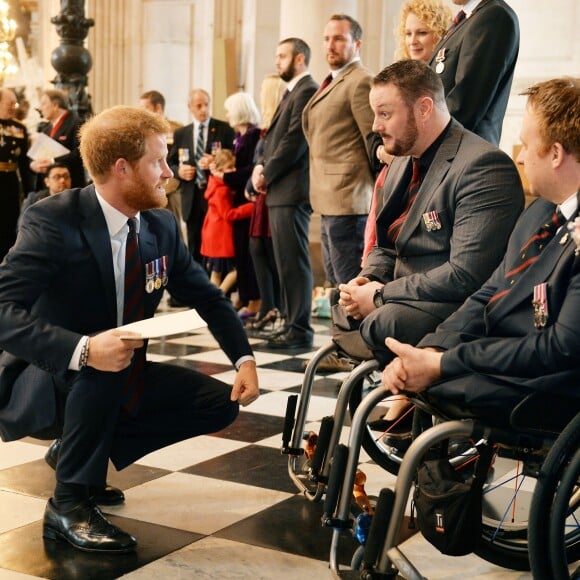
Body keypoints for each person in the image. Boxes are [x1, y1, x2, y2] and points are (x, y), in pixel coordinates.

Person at [0, 105, 259, 553]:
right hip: (46, 375)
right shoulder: (53, 221)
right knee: (104, 360)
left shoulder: (158, 225)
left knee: (218, 403)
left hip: (117, 372)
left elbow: (209, 298)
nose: (168, 172)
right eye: (157, 162)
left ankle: (76, 456)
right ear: (122, 169)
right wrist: (82, 348)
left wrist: (244, 358)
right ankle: (68, 504)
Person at [381, 77, 580, 426]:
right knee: (421, 375)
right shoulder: (540, 211)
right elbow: (491, 291)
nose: (518, 156)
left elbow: (558, 349)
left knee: (438, 385)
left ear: (555, 154)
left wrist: (445, 364)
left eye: (525, 145)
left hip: (549, 383)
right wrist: (434, 349)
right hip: (509, 358)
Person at [336, 60, 524, 428]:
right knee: (342, 305)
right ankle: (407, 410)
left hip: (456, 305)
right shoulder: (403, 161)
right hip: (408, 294)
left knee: (383, 320)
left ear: (423, 108)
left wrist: (379, 295)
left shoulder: (483, 165)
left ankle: (429, 445)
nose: (375, 126)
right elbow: (387, 243)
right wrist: (365, 279)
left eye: (385, 113)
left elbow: (467, 274)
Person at [251, 37, 318, 349]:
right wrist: (262, 165)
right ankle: (291, 324)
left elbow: (293, 141)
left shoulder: (306, 90)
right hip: (281, 189)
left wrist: (266, 171)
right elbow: (275, 139)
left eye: (282, 56)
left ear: (300, 59)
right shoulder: (292, 92)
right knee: (285, 263)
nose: (277, 62)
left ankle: (300, 329)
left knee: (293, 262)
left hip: (292, 189)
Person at [302, 14, 376, 288]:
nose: (330, 45)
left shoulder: (361, 81)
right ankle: (340, 332)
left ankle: (354, 333)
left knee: (348, 284)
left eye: (338, 39)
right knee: (336, 280)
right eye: (326, 39)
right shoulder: (335, 79)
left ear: (356, 43)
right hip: (329, 198)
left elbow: (374, 141)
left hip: (349, 199)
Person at [429, 0, 519, 146]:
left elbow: (463, 103)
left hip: (462, 153)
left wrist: (420, 136)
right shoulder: (468, 17)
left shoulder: (493, 15)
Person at [168, 89, 235, 265]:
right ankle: (196, 287)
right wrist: (179, 171)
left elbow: (234, 157)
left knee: (215, 247)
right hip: (191, 195)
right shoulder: (182, 133)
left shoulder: (224, 129)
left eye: (206, 104)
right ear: (190, 107)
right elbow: (171, 162)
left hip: (216, 196)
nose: (203, 109)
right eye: (199, 106)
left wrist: (217, 161)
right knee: (194, 246)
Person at [244, 73, 286, 333]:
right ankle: (268, 306)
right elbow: (258, 160)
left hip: (275, 192)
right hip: (262, 193)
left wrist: (260, 176)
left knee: (272, 253)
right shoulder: (267, 125)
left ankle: (275, 307)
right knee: (257, 248)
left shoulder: (279, 123)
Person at [222, 92, 262, 318]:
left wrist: (226, 176)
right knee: (240, 254)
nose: (227, 115)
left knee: (248, 255)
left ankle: (253, 300)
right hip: (237, 202)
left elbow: (251, 169)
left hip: (247, 201)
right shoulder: (239, 137)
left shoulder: (253, 135)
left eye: (229, 110)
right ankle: (244, 296)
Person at [201, 148, 252, 292]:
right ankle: (218, 300)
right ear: (218, 169)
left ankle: (212, 303)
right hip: (221, 237)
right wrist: (251, 208)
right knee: (235, 271)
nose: (234, 170)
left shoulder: (213, 183)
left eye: (234, 166)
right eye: (229, 167)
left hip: (213, 235)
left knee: (216, 273)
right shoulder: (222, 190)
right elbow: (229, 214)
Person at [140, 90, 186, 241]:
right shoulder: (142, 132)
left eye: (145, 108)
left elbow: (182, 157)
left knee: (175, 226)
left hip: (174, 184)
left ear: (157, 108)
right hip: (151, 184)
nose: (141, 113)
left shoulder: (177, 129)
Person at [29, 89, 86, 189]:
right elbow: (36, 155)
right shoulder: (46, 128)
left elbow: (80, 153)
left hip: (70, 185)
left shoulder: (77, 123)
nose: (40, 108)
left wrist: (52, 161)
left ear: (55, 105)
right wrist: (33, 164)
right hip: (47, 187)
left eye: (43, 104)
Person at [0, 88, 32, 262]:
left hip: (10, 182)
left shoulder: (19, 127)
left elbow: (24, 164)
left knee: (10, 222)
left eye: (15, 103)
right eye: (10, 103)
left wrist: (28, 191)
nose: (14, 107)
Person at [18, 162, 71, 228]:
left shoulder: (77, 199)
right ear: (47, 182)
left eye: (66, 176)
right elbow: (22, 226)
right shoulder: (34, 199)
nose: (63, 180)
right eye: (57, 177)